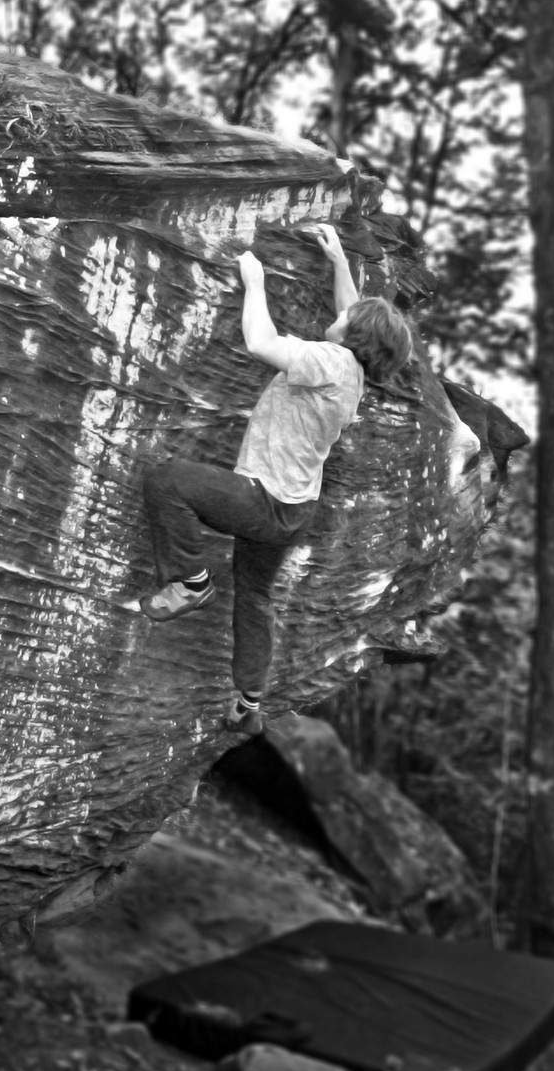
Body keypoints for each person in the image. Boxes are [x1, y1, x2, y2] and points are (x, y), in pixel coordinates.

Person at [140, 222, 414, 735]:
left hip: (261, 500)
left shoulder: (329, 360)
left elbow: (260, 341)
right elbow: (353, 315)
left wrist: (254, 281)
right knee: (255, 597)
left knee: (167, 481)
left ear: (353, 337)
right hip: (292, 513)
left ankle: (191, 581)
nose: (343, 315)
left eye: (349, 319)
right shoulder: (354, 374)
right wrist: (337, 262)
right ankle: (248, 704)